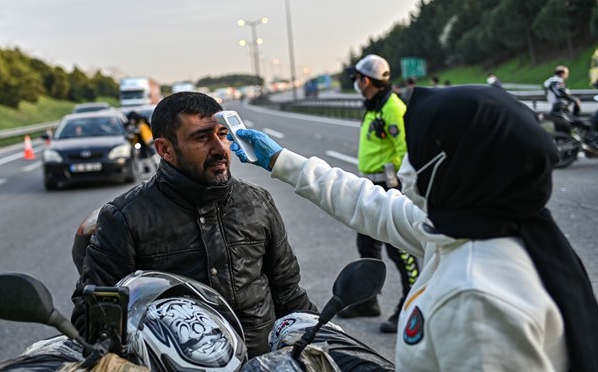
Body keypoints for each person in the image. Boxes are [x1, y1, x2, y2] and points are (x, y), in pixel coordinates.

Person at [229, 85, 598, 371]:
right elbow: (370, 205)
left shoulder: (475, 299)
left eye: (417, 150)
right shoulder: (487, 226)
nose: (406, 163)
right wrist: (280, 160)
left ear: (453, 164)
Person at [71, 92, 316, 358]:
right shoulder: (124, 218)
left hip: (261, 363)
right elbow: (95, 325)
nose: (220, 148)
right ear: (165, 150)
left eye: (222, 135)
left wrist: (324, 340)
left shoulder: (258, 202)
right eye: (202, 137)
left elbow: (290, 296)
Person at [342, 55, 419, 334]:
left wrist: (399, 190)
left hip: (390, 188)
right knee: (368, 245)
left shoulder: (392, 108)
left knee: (400, 252)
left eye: (356, 78)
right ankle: (367, 301)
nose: (355, 83)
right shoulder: (375, 105)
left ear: (365, 80)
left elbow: (405, 151)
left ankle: (411, 307)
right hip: (372, 186)